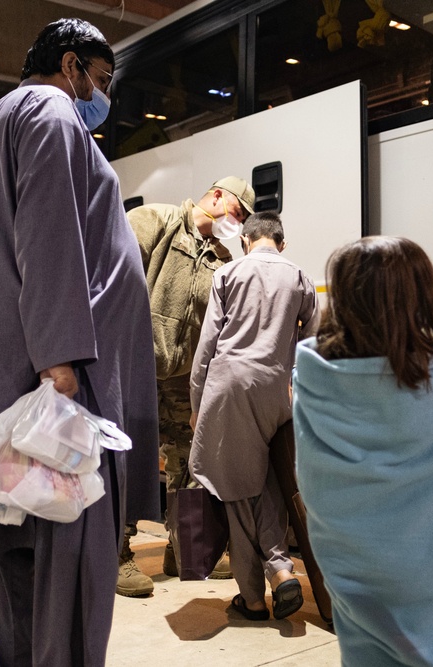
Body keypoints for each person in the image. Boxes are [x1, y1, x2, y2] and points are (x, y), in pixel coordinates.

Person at [0, 18, 159, 666]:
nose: (101, 97)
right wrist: (58, 366)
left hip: (12, 380)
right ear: (71, 67)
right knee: (69, 571)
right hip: (61, 395)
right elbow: (51, 239)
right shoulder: (52, 113)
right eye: (100, 80)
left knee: (16, 561)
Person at [292, 236, 433, 665]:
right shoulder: (431, 370)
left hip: (348, 563)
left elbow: (313, 475)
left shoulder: (314, 374)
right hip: (430, 564)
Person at [119, 176, 254, 595]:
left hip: (183, 378)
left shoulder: (222, 256)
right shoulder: (154, 219)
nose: (240, 223)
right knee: (128, 460)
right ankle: (118, 554)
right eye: (238, 213)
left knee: (188, 462)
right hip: (135, 366)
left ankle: (186, 550)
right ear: (216, 196)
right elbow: (111, 274)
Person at [188, 211, 319, 621]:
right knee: (268, 486)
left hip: (230, 389)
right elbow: (313, 345)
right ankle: (280, 571)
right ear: (281, 242)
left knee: (238, 494)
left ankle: (254, 596)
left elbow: (207, 348)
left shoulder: (227, 274)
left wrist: (197, 406)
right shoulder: (299, 277)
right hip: (278, 393)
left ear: (246, 240)